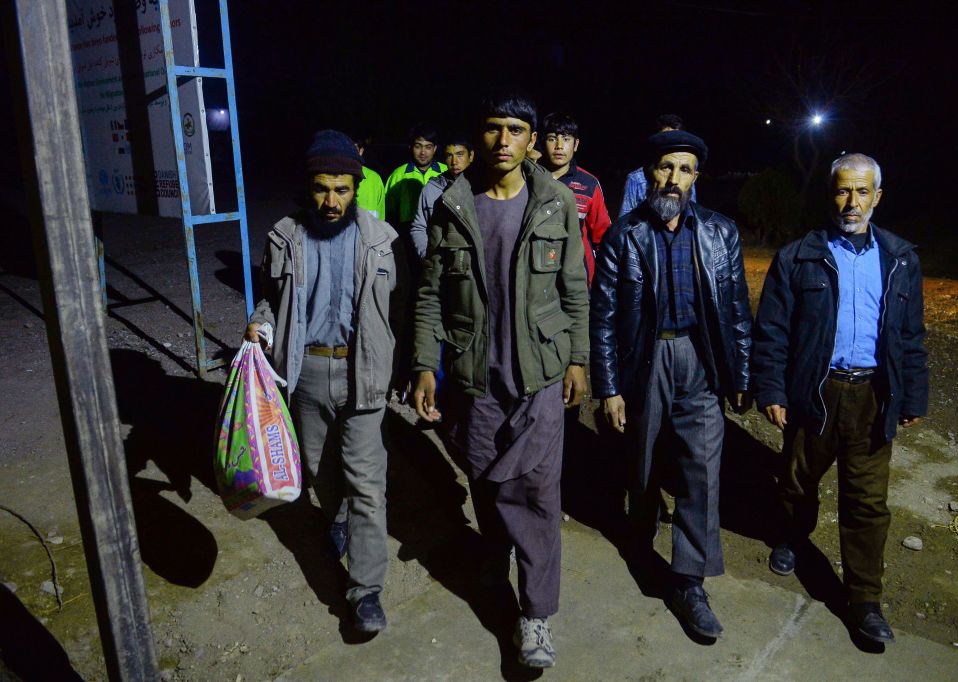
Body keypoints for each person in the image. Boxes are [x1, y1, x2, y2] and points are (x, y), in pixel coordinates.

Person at [411, 91, 589, 668]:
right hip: (474, 376)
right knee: (485, 480)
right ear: (479, 136)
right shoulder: (452, 204)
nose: (503, 140)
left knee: (538, 492)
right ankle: (495, 562)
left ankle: (535, 615)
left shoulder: (556, 201)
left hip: (540, 372)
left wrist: (578, 360)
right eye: (493, 129)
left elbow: (574, 289)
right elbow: (431, 293)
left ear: (531, 140)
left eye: (516, 129)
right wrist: (423, 365)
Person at [751, 153, 928, 644]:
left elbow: (910, 334)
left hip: (874, 394)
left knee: (868, 504)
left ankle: (865, 599)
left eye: (862, 192)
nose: (852, 202)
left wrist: (912, 393)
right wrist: (771, 388)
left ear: (878, 196)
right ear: (831, 194)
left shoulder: (900, 259)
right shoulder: (798, 256)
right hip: (816, 391)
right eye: (843, 191)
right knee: (797, 481)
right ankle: (790, 536)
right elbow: (772, 332)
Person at [590, 129, 752, 639]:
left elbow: (736, 310)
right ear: (648, 174)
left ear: (696, 177)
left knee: (702, 467)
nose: (674, 179)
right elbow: (605, 317)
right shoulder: (625, 234)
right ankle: (639, 531)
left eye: (685, 170)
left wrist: (742, 375)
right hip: (648, 357)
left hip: (700, 358)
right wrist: (610, 387)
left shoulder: (721, 232)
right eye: (665, 168)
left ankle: (689, 581)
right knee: (641, 456)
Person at [243, 130, 405, 634]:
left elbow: (400, 307)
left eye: (342, 189)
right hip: (306, 372)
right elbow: (272, 298)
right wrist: (259, 322)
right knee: (318, 469)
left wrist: (402, 367)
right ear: (308, 187)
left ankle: (366, 590)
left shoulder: (381, 239)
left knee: (367, 484)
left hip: (364, 372)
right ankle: (334, 517)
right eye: (322, 189)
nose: (331, 201)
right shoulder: (284, 237)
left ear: (356, 188)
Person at [538, 112, 611, 285]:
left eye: (566, 139)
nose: (559, 146)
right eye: (551, 139)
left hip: (578, 279)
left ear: (576, 144)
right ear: (542, 142)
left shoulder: (589, 184)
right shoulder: (530, 180)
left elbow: (603, 238)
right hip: (538, 277)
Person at [409, 134, 475, 258]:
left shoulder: (480, 188)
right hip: (440, 262)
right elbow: (419, 227)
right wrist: (428, 257)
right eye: (449, 155)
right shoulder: (432, 188)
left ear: (471, 156)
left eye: (460, 154)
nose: (454, 161)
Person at [618, 114, 692, 217]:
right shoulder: (636, 179)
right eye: (665, 139)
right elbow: (624, 220)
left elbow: (692, 216)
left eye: (675, 139)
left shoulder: (687, 176)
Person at [383, 122, 448, 232]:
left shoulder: (445, 171)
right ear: (411, 147)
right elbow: (389, 211)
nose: (423, 152)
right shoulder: (398, 174)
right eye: (418, 146)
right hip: (407, 231)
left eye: (428, 147)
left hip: (440, 228)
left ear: (435, 148)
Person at [354, 136, 386, 220]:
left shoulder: (374, 179)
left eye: (353, 149)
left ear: (361, 151)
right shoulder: (328, 178)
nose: (347, 154)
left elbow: (381, 217)